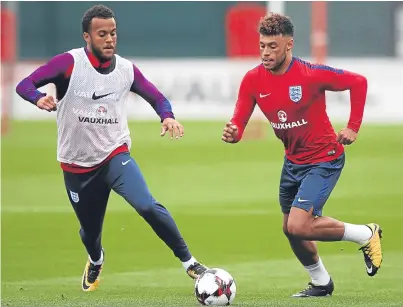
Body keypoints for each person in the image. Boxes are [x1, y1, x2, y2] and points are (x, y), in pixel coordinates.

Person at [16, 4, 207, 292]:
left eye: (113, 33)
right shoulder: (68, 64)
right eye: (102, 33)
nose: (109, 39)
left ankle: (189, 261)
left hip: (114, 155)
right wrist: (37, 97)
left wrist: (167, 116)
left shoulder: (126, 70)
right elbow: (24, 84)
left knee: (147, 204)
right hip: (76, 165)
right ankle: (96, 258)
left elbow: (157, 97)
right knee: (90, 233)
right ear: (86, 37)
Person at [221, 13, 383, 297]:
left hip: (325, 158)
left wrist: (353, 127)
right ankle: (321, 283)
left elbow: (358, 82)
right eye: (262, 45)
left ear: (288, 45)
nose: (265, 52)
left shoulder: (310, 74)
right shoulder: (252, 80)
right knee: (290, 228)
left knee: (299, 224)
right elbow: (239, 123)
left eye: (272, 46)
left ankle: (366, 234)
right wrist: (234, 133)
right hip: (293, 162)